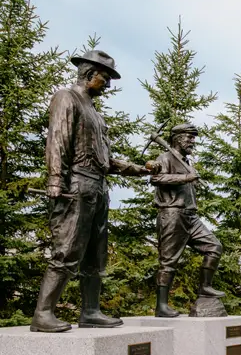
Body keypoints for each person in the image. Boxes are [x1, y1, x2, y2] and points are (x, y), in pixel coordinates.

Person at [30, 50, 151, 333]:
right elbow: (57, 142)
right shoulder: (67, 98)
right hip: (76, 187)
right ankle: (43, 313)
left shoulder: (95, 114)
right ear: (88, 74)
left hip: (98, 188)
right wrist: (55, 181)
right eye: (105, 78)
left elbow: (106, 161)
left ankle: (91, 311)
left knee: (96, 256)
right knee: (67, 250)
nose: (107, 85)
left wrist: (140, 169)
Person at [145, 123, 224, 317]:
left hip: (191, 216)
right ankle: (161, 306)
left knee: (214, 247)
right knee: (168, 261)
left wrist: (190, 175)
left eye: (193, 138)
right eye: (189, 138)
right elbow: (156, 179)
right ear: (177, 138)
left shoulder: (185, 161)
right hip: (172, 214)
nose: (192, 142)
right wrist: (186, 178)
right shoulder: (165, 158)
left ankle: (205, 287)